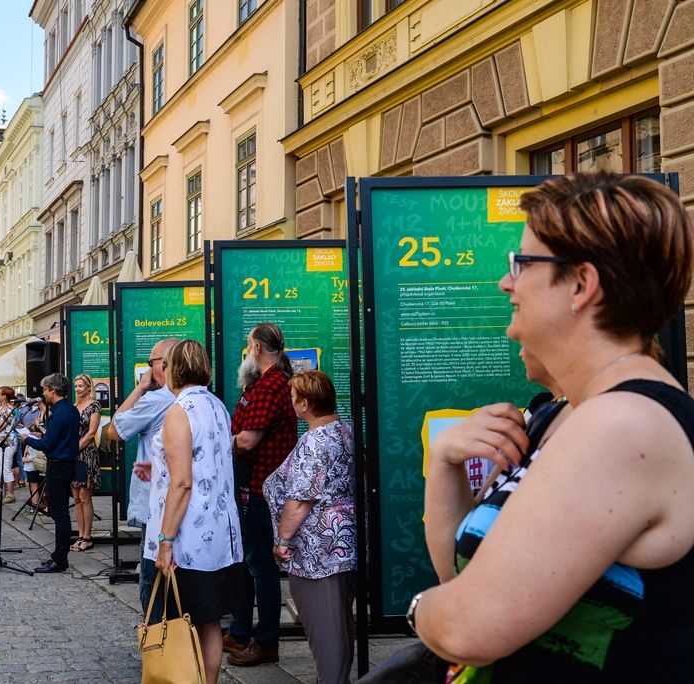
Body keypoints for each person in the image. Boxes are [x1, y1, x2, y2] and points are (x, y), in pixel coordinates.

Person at [411, 173, 694, 681]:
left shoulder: (625, 424)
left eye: (521, 264)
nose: (506, 282)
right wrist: (446, 464)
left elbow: (468, 626)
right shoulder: (562, 413)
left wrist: (422, 610)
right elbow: (464, 574)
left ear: (582, 285)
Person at [148, 340, 244, 684]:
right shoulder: (217, 406)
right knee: (209, 621)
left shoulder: (179, 410)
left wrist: (165, 539)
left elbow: (183, 482)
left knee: (183, 622)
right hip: (219, 534)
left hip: (189, 537)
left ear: (175, 368)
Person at [263, 371, 356, 684]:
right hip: (344, 545)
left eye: (293, 399)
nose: (291, 404)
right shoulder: (344, 430)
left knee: (325, 629)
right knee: (340, 624)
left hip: (319, 550)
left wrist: (282, 539)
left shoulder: (315, 440)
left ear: (305, 404)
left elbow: (301, 497)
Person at [226, 322, 298, 666]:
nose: (246, 349)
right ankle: (240, 631)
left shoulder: (272, 385)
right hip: (251, 487)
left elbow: (248, 439)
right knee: (246, 561)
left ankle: (267, 640)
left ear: (256, 349)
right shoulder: (262, 383)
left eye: (248, 343)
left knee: (261, 567)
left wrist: (221, 446)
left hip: (262, 490)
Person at [107, 337, 178, 610]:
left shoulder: (156, 399)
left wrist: (140, 388)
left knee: (151, 574)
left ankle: (156, 640)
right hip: (186, 500)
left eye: (151, 363)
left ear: (162, 365)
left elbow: (115, 429)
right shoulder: (205, 398)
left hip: (157, 502)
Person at [20, 373, 80, 573]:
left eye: (45, 389)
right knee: (60, 512)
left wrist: (27, 439)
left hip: (58, 465)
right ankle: (58, 555)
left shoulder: (58, 413)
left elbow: (47, 445)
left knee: (60, 513)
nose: (43, 393)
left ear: (53, 391)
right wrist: (42, 434)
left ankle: (60, 559)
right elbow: (58, 437)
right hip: (67, 463)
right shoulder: (70, 410)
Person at [71, 374, 101, 552]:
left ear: (89, 387)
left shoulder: (94, 406)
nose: (77, 389)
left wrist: (74, 448)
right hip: (74, 456)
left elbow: (91, 434)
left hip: (86, 455)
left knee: (84, 496)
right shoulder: (74, 406)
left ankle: (87, 537)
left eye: (81, 386)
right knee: (75, 498)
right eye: (76, 386)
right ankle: (80, 535)